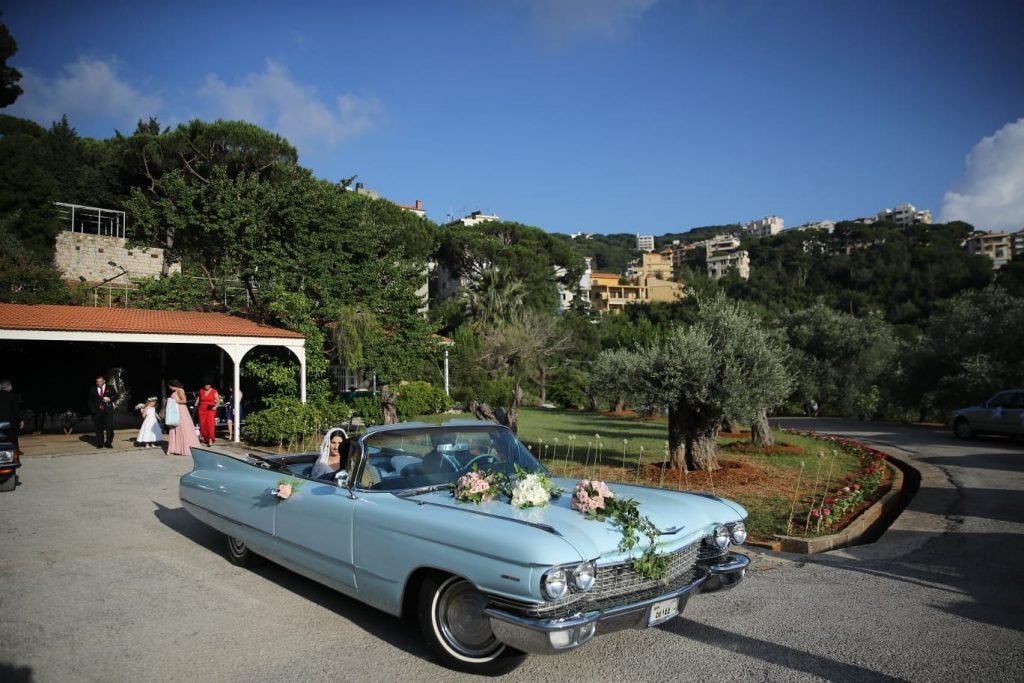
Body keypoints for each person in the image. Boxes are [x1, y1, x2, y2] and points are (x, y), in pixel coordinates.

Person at [165, 379, 201, 456]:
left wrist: (173, 401)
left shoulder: (180, 390)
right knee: (175, 428)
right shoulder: (175, 391)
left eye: (170, 386)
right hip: (176, 410)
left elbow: (184, 400)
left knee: (183, 428)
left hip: (180, 411)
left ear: (173, 385)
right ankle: (177, 448)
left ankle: (184, 447)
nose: (170, 388)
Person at [88, 374, 119, 449]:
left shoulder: (110, 387)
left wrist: (110, 399)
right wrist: (93, 410)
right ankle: (100, 443)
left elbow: (116, 396)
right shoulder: (93, 389)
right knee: (98, 428)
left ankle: (108, 442)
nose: (99, 383)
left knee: (109, 427)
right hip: (97, 412)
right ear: (96, 382)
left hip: (108, 411)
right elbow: (90, 401)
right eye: (97, 382)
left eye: (100, 381)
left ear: (104, 381)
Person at [0, 379, 23, 456]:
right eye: (10, 386)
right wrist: (21, 420)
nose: (11, 388)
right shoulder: (12, 396)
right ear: (7, 386)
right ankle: (15, 452)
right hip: (11, 422)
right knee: (13, 438)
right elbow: (16, 409)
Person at [196, 379, 219, 446]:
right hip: (202, 409)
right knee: (203, 424)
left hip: (210, 409)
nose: (207, 386)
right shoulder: (201, 390)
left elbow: (218, 400)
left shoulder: (214, 391)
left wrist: (216, 406)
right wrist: (196, 402)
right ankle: (205, 437)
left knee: (210, 424)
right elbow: (199, 398)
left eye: (208, 385)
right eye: (206, 385)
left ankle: (210, 439)